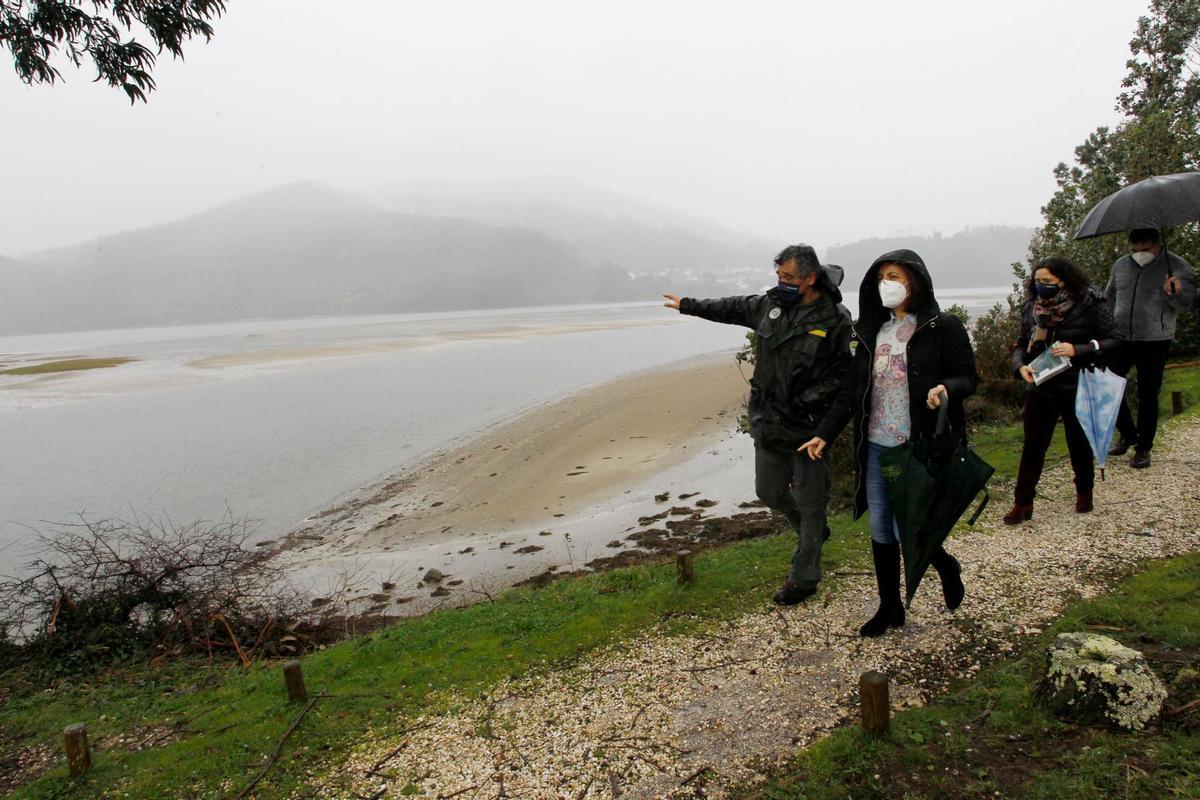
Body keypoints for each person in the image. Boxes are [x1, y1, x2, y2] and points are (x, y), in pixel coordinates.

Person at [797, 250, 978, 637]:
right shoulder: (869, 331)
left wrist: (946, 389)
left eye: (893, 276)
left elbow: (968, 377)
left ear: (915, 281)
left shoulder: (942, 327)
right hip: (877, 445)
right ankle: (889, 606)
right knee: (881, 525)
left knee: (913, 523)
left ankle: (945, 565)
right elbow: (852, 390)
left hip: (918, 446)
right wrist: (825, 432)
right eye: (881, 278)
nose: (886, 284)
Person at [663, 244, 852, 605]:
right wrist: (688, 304)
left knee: (812, 504)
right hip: (769, 423)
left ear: (810, 278)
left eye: (788, 277)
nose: (781, 282)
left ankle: (804, 578)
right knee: (769, 492)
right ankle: (810, 530)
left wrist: (810, 404)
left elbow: (844, 376)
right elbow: (731, 307)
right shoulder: (768, 306)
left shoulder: (835, 319)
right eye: (779, 275)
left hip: (809, 429)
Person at [1004, 257, 1121, 524]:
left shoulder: (1090, 303)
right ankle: (1022, 502)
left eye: (1047, 281)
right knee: (1033, 445)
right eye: (1037, 281)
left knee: (1078, 441)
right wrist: (1020, 366)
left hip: (1078, 382)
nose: (1041, 285)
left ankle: (1084, 491)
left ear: (1064, 280)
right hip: (1041, 383)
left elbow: (1114, 339)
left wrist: (1076, 349)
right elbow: (1021, 344)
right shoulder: (1031, 308)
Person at [1104, 228, 1196, 468]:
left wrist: (1176, 294)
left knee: (1148, 393)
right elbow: (1109, 298)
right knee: (1107, 383)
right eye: (1134, 250)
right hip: (1121, 337)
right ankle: (1127, 434)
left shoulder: (1177, 266)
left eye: (1145, 249)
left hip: (1156, 338)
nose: (1139, 254)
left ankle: (1143, 448)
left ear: (1157, 245)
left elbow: (1188, 305)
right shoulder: (1121, 265)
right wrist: (1104, 327)